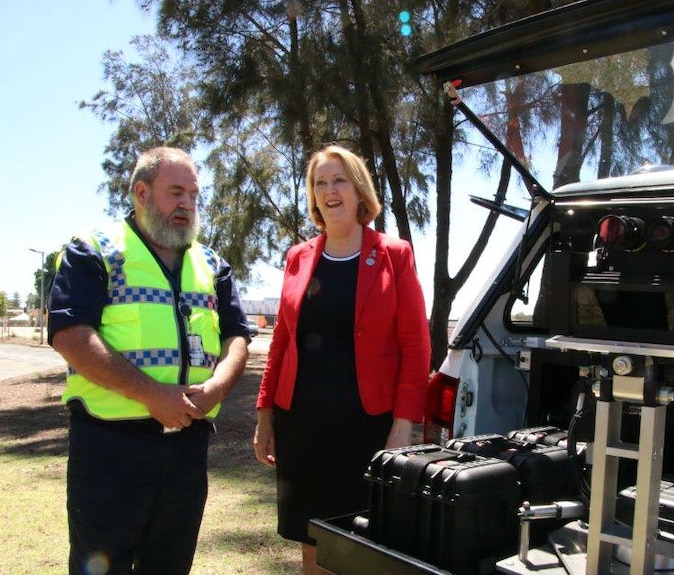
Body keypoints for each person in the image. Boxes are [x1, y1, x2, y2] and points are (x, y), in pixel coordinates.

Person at [48, 146, 250, 575]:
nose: (187, 205)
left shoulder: (212, 263)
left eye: (194, 195)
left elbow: (237, 338)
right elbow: (70, 335)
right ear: (141, 193)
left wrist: (216, 387)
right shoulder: (95, 251)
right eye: (175, 192)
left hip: (186, 452)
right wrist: (152, 394)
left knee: (170, 566)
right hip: (109, 450)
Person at [254, 144, 431, 575]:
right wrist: (264, 414)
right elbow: (281, 340)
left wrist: (404, 423)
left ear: (358, 191)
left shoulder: (394, 254)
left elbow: (416, 345)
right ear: (313, 196)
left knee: (364, 548)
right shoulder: (298, 257)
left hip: (368, 427)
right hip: (302, 425)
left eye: (339, 180)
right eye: (320, 183)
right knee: (311, 542)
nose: (329, 190)